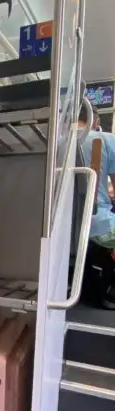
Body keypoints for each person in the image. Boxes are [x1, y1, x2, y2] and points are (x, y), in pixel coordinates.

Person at [78, 105, 115, 307]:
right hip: (97, 227)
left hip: (57, 228)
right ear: (95, 122)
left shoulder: (55, 141)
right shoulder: (106, 140)